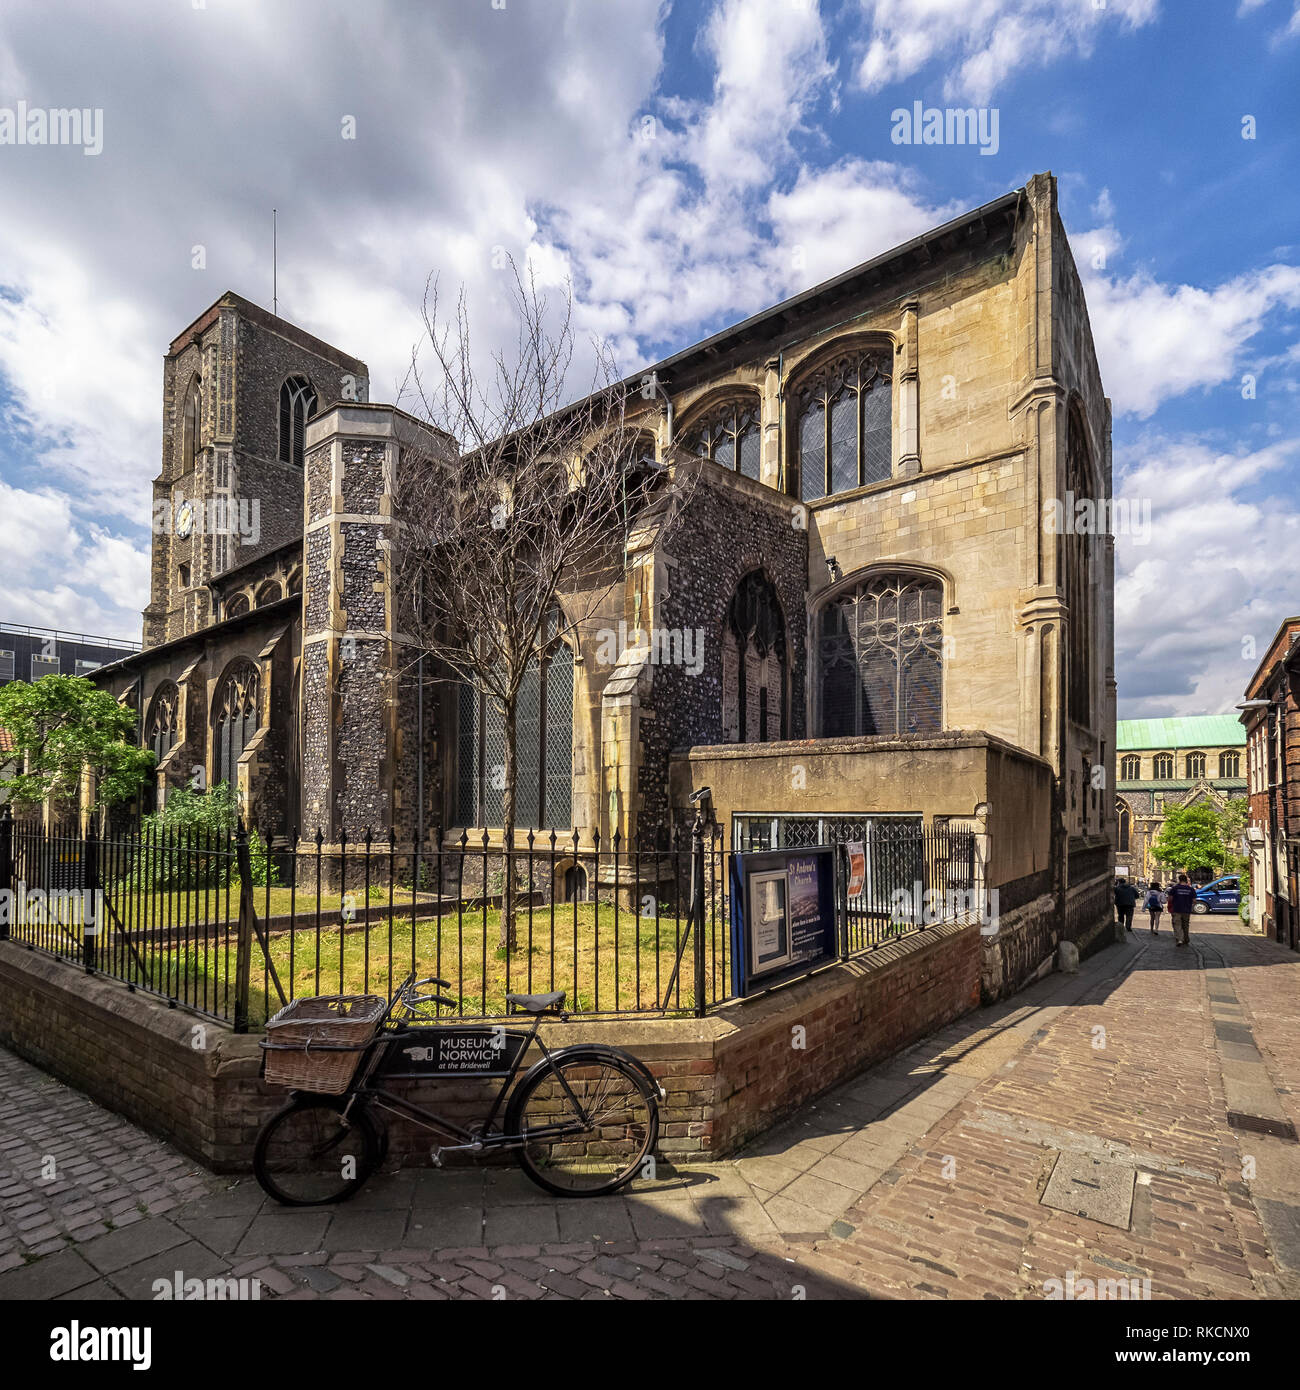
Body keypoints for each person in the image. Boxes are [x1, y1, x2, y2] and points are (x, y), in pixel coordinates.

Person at [1166, 873, 1197, 946]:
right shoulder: (1191, 889)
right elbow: (1194, 901)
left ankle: (1180, 939)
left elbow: (1170, 899)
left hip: (1176, 909)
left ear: (1179, 880)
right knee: (1185, 925)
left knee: (1177, 924)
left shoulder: (1174, 888)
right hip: (1186, 910)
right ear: (1186, 880)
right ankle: (1186, 939)